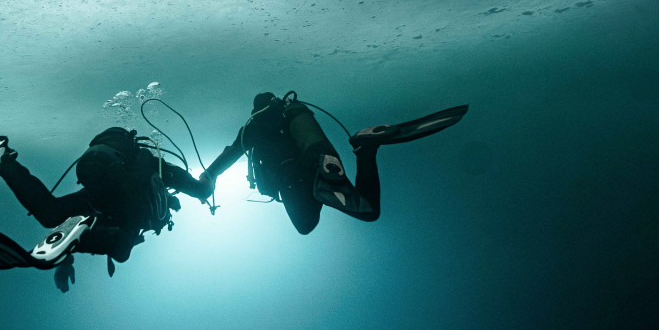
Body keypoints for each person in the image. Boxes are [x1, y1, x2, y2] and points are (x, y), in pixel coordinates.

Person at [0, 127, 212, 290]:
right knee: (122, 250)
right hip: (119, 191)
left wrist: (65, 254)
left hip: (96, 178)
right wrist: (207, 183)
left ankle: (4, 162)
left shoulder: (134, 163)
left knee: (50, 212)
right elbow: (200, 190)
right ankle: (75, 238)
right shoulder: (154, 165)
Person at [198, 92, 468, 235]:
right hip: (321, 161)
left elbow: (231, 153)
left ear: (254, 110)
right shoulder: (292, 114)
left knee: (319, 223)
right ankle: (364, 148)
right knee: (317, 222)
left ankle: (367, 149)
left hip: (300, 182)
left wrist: (208, 176)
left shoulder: (252, 127)